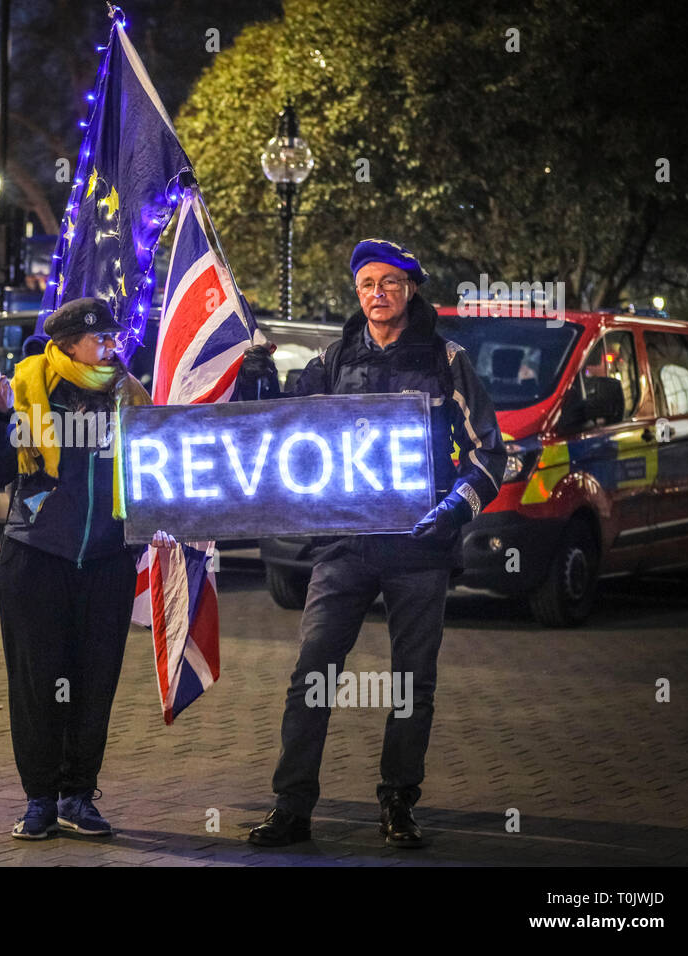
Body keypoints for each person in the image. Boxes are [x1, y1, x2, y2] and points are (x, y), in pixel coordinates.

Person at [243, 239, 504, 849]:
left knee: (413, 683)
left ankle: (397, 804)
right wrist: (258, 380)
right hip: (343, 549)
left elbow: (493, 454)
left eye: (389, 282)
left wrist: (451, 511)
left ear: (410, 288)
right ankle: (293, 807)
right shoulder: (334, 361)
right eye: (366, 285)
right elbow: (280, 427)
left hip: (420, 550)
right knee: (312, 673)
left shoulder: (447, 360)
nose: (377, 293)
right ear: (356, 293)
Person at [0, 296, 157, 840]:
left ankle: (78, 796)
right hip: (36, 559)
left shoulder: (129, 394)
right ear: (65, 345)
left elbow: (157, 461)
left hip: (106, 562)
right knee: (38, 684)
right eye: (99, 339)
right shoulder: (32, 387)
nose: (111, 346)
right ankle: (39, 799)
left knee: (93, 683)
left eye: (113, 337)